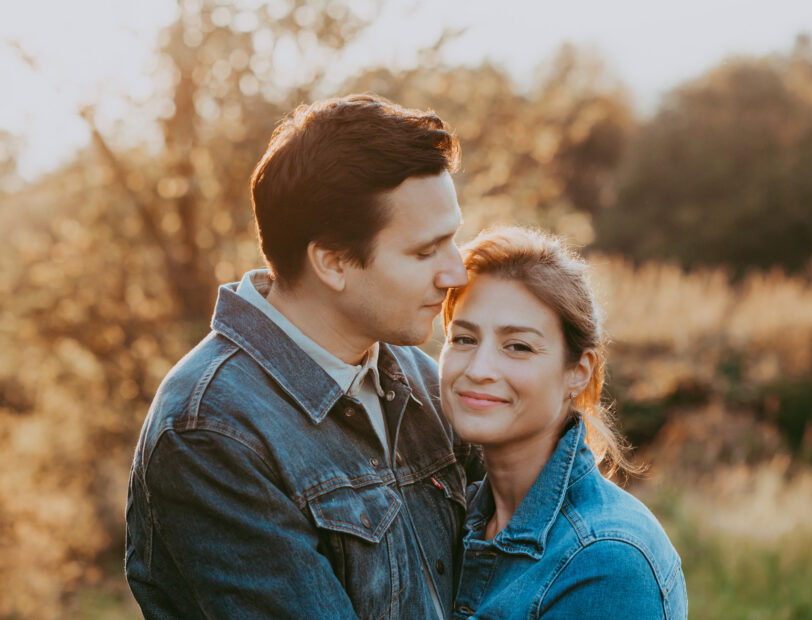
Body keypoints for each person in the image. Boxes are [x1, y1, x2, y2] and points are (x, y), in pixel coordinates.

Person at [125, 94, 483, 619]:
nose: (456, 273)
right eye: (425, 252)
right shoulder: (210, 432)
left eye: (452, 241)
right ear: (333, 262)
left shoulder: (418, 377)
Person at [439, 227, 687, 619]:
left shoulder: (607, 561)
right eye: (463, 339)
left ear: (578, 371)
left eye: (517, 346)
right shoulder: (450, 514)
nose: (478, 368)